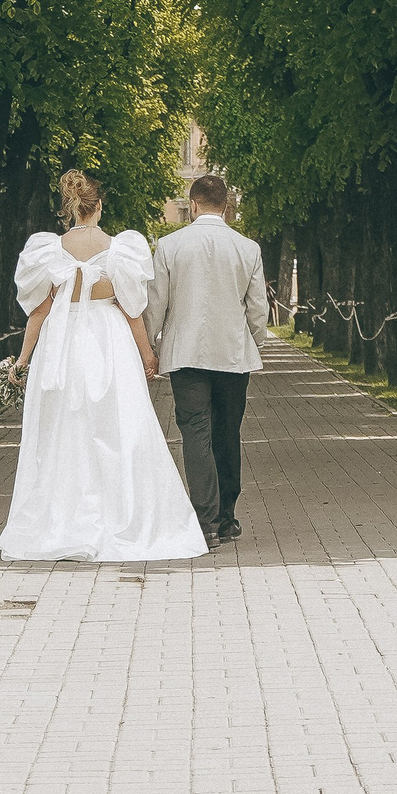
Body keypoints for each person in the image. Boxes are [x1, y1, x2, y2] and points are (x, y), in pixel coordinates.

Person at [0, 169, 206, 563]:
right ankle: (121, 516)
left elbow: (39, 313)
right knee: (118, 428)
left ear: (69, 209)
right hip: (109, 345)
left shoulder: (48, 250)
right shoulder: (122, 250)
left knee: (62, 433)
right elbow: (132, 312)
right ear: (99, 206)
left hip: (62, 346)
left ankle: (61, 521)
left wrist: (22, 360)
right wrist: (147, 355)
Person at [147, 173, 270, 545]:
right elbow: (258, 310)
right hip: (233, 355)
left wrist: (150, 347)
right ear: (228, 206)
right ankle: (228, 517)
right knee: (227, 432)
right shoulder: (247, 248)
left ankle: (205, 520)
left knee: (195, 432)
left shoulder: (169, 246)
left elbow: (156, 302)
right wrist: (254, 342)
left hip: (186, 354)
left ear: (193, 205)